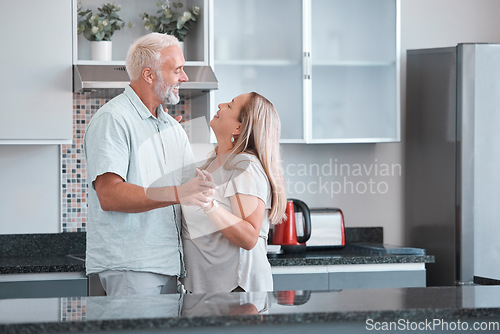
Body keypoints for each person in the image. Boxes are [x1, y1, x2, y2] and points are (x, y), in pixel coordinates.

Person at [83, 33, 215, 296]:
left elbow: (193, 189)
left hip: (171, 265)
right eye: (177, 70)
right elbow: (109, 195)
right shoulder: (114, 119)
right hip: (132, 267)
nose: (185, 77)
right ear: (149, 75)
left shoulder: (170, 127)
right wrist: (181, 192)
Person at [181, 92, 287, 293]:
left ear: (238, 127)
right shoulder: (214, 164)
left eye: (229, 106)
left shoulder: (244, 167)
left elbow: (248, 237)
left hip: (235, 291)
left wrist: (209, 206)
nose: (220, 104)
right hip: (208, 290)